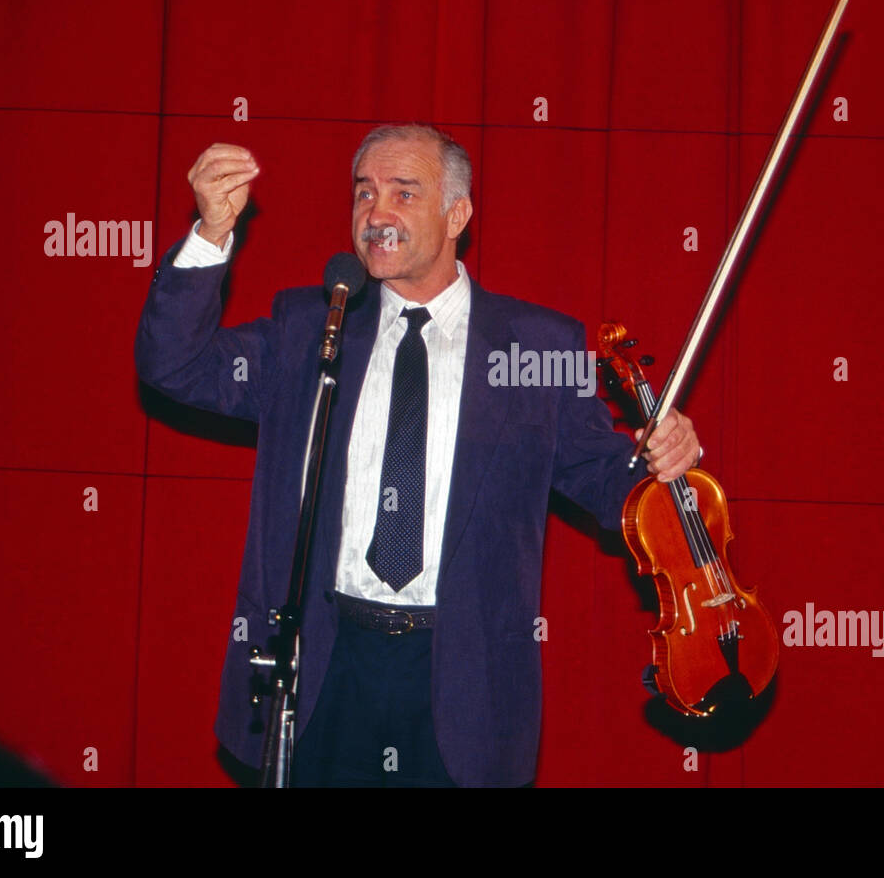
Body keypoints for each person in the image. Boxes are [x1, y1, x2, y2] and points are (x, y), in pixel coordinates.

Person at [135, 124, 700, 786]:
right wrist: (210, 234)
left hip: (462, 682)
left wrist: (663, 458)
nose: (376, 212)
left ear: (457, 215)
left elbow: (607, 481)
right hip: (323, 670)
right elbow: (175, 366)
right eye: (364, 193)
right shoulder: (310, 327)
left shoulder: (537, 346)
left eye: (404, 193)